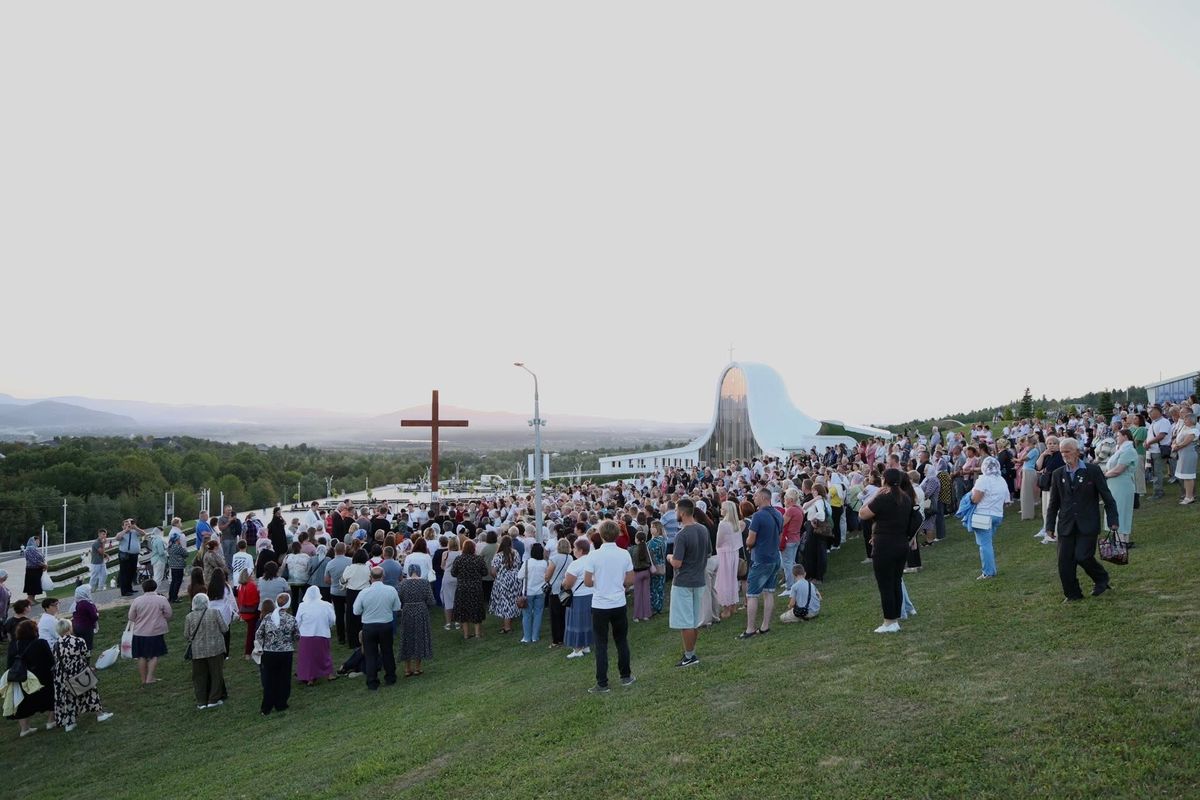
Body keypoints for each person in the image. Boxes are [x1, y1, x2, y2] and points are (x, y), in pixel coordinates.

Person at [1046, 438, 1120, 602]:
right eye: (1062, 452)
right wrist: (1049, 526)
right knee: (1064, 562)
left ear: (1077, 451)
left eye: (1068, 451)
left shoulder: (1092, 471)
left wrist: (1113, 519)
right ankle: (1072, 594)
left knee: (1082, 556)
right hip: (1066, 525)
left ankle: (1101, 578)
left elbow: (1107, 497)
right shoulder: (1058, 474)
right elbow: (1053, 503)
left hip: (1088, 523)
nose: (1065, 455)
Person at [858, 469, 913, 634]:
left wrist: (874, 495)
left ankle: (890, 621)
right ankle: (895, 617)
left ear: (885, 480)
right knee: (896, 581)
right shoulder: (906, 497)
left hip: (884, 545)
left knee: (885, 584)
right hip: (901, 543)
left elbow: (863, 513)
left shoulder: (883, 497)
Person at [583, 519, 635, 693]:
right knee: (621, 641)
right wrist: (619, 585)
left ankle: (602, 682)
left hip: (600, 604)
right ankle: (625, 675)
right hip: (618, 602)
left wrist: (601, 581)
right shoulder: (624, 554)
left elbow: (588, 582)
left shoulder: (594, 555)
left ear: (601, 535)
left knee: (601, 644)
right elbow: (629, 579)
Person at [49, 619, 112, 732]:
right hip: (78, 670)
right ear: (69, 628)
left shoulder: (56, 645)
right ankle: (100, 714)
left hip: (62, 674)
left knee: (67, 697)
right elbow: (86, 655)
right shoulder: (78, 641)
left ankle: (70, 722)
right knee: (90, 691)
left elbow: (56, 658)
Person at [668, 498, 711, 665]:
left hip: (684, 582)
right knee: (693, 621)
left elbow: (677, 563)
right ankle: (691, 653)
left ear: (683, 513)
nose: (675, 514)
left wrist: (670, 557)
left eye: (676, 511)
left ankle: (689, 655)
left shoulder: (682, 534)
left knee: (686, 622)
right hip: (698, 579)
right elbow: (707, 552)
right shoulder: (703, 529)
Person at [740, 488, 783, 640]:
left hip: (761, 558)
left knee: (752, 594)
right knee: (769, 592)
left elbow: (750, 540)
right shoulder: (778, 513)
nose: (754, 498)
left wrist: (748, 543)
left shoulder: (758, 516)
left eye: (756, 496)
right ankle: (765, 626)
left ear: (764, 498)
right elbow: (779, 535)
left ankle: (750, 628)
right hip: (775, 556)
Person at [353, 567, 402, 691]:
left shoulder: (364, 592)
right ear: (383, 577)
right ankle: (390, 677)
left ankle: (372, 681)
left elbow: (356, 611)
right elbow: (397, 607)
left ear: (370, 578)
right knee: (387, 652)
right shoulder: (390, 590)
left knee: (370, 655)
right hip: (385, 624)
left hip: (369, 626)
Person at [6, 620, 54, 736]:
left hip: (22, 677)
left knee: (22, 704)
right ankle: (51, 721)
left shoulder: (14, 645)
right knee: (52, 697)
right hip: (42, 677)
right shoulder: (41, 643)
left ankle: (24, 729)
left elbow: (9, 664)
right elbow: (50, 660)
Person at [254, 595, 298, 714]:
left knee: (269, 680)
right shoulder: (291, 619)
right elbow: (297, 636)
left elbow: (258, 634)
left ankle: (266, 706)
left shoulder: (268, 617)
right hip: (285, 652)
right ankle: (281, 703)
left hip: (269, 652)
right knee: (284, 679)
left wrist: (264, 644)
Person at [184, 593, 228, 709]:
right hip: (215, 649)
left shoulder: (189, 617)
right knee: (216, 674)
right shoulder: (214, 613)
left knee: (199, 676)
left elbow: (186, 635)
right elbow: (224, 628)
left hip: (197, 651)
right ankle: (213, 699)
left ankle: (201, 701)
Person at [969, 457, 1009, 580]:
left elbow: (975, 499)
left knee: (984, 545)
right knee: (988, 543)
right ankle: (990, 570)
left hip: (983, 514)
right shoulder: (1002, 480)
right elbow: (1006, 500)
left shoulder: (983, 480)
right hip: (997, 514)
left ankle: (988, 572)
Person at [127, 579, 172, 685]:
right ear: (155, 587)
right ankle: (150, 677)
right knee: (154, 655)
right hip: (155, 632)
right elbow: (169, 614)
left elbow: (131, 617)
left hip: (139, 632)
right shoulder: (161, 599)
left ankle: (143, 679)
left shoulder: (137, 600)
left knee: (141, 656)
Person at [398, 563, 436, 676]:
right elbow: (431, 600)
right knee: (419, 637)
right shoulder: (424, 583)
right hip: (421, 611)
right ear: (419, 571)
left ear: (409, 572)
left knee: (407, 637)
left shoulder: (403, 584)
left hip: (407, 611)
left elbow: (398, 599)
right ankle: (417, 668)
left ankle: (407, 668)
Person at [294, 585, 336, 686]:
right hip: (322, 633)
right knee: (324, 655)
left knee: (307, 657)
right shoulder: (327, 605)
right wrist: (327, 626)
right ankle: (328, 674)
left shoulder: (302, 606)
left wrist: (300, 631)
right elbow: (332, 620)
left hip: (306, 635)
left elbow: (297, 621)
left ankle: (310, 678)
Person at [1104, 428, 1139, 544]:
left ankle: (1122, 540)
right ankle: (1118, 538)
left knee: (1121, 510)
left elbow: (1119, 470)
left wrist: (1104, 476)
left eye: (1118, 436)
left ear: (1125, 436)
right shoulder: (1121, 450)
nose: (1116, 438)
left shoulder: (1128, 450)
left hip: (1122, 484)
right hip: (1115, 484)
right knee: (1114, 509)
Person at [561, 537, 594, 659]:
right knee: (587, 621)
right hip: (591, 595)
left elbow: (568, 584)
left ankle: (577, 648)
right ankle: (586, 644)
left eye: (575, 548)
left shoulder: (575, 564)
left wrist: (563, 583)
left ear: (580, 550)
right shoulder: (592, 561)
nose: (573, 550)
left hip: (578, 597)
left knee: (576, 622)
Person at [450, 539, 488, 640]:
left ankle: (466, 634)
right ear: (474, 548)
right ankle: (477, 634)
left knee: (463, 611)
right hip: (475, 587)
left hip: (462, 587)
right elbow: (485, 572)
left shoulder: (459, 559)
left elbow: (453, 573)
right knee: (476, 609)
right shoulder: (478, 559)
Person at [488, 536, 522, 635]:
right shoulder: (515, 553)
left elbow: (493, 571)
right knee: (511, 601)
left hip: (502, 580)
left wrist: (497, 577)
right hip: (515, 580)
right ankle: (507, 624)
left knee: (505, 603)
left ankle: (507, 627)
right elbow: (518, 566)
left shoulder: (498, 556)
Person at [340, 550, 372, 650]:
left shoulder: (350, 568)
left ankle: (353, 642)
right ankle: (364, 640)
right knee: (364, 616)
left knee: (351, 617)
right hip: (364, 593)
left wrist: (345, 585)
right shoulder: (368, 568)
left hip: (352, 593)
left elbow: (342, 580)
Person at [544, 539, 573, 648]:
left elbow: (548, 575)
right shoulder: (570, 558)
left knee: (555, 616)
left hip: (555, 589)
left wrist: (546, 579)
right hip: (565, 587)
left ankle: (557, 640)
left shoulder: (554, 558)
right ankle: (565, 636)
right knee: (564, 614)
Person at [715, 502, 741, 618]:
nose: (721, 510)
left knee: (724, 581)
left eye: (722, 508)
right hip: (734, 553)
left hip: (724, 554)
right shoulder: (736, 523)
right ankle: (733, 605)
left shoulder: (723, 524)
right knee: (732, 579)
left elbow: (718, 542)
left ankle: (726, 609)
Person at [519, 543, 549, 643]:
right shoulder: (545, 563)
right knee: (538, 614)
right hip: (540, 591)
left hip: (528, 592)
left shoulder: (527, 563)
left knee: (526, 614)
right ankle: (535, 636)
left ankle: (527, 637)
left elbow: (519, 576)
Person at [779, 490, 805, 595]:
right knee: (791, 563)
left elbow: (781, 523)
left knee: (787, 564)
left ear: (790, 500)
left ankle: (790, 587)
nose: (784, 500)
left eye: (785, 498)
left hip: (789, 539)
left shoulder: (790, 510)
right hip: (796, 538)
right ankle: (794, 583)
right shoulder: (799, 509)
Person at [1146, 405, 1173, 499]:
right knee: (1154, 472)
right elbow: (1150, 435)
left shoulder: (1164, 422)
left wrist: (1149, 442)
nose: (1149, 413)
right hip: (1152, 450)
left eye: (1151, 411)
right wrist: (1146, 442)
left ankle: (1158, 492)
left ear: (1157, 411)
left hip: (1158, 450)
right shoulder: (1153, 423)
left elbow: (1161, 435)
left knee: (1157, 472)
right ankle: (1157, 490)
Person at [1171, 409, 1197, 505]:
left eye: (1186, 419)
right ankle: (1187, 495)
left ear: (1191, 420)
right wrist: (1174, 444)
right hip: (1183, 454)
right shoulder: (1185, 428)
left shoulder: (1193, 430)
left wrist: (1176, 447)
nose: (1184, 421)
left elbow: (1186, 442)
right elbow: (1178, 438)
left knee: (1188, 476)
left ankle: (1190, 497)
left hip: (1188, 454)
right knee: (1185, 476)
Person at [115, 519, 144, 597]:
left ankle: (129, 588)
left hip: (134, 555)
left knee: (132, 572)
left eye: (129, 524)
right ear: (122, 526)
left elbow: (143, 533)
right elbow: (117, 538)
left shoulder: (135, 532)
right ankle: (124, 591)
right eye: (126, 524)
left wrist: (135, 527)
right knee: (124, 573)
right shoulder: (121, 533)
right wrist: (125, 530)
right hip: (125, 555)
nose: (128, 525)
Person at [236, 569, 261, 658]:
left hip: (244, 612)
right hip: (252, 612)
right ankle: (248, 653)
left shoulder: (241, 586)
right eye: (253, 574)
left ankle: (251, 651)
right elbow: (256, 600)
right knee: (252, 633)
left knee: (251, 632)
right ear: (249, 575)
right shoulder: (252, 586)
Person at [629, 533, 652, 623]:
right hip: (646, 572)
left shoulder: (632, 549)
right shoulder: (647, 548)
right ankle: (646, 615)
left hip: (637, 573)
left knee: (638, 594)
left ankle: (637, 616)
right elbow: (651, 560)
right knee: (646, 593)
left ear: (637, 539)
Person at [647, 521, 667, 616]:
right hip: (662, 565)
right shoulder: (663, 540)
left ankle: (655, 607)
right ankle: (659, 606)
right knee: (660, 586)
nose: (651, 529)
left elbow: (650, 552)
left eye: (653, 527)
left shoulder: (653, 542)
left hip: (655, 566)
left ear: (658, 529)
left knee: (654, 587)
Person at [283, 542, 311, 611]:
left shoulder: (288, 557)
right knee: (304, 597)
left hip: (292, 580)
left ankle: (295, 612)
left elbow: (283, 567)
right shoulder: (306, 557)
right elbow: (309, 567)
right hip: (303, 579)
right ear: (300, 548)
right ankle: (304, 610)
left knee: (294, 597)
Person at [440, 537, 460, 631]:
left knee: (448, 600)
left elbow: (442, 566)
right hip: (458, 578)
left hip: (447, 577)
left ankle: (448, 623)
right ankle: (457, 622)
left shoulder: (445, 553)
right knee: (457, 599)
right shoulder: (460, 553)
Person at [70, 585, 99, 651]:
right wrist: (97, 615)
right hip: (86, 627)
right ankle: (87, 658)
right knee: (88, 645)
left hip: (76, 626)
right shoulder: (87, 603)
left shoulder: (76, 603)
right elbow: (94, 616)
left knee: (80, 644)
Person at [22, 536, 47, 603]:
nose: (39, 542)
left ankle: (33, 599)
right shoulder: (30, 549)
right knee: (32, 585)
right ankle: (29, 600)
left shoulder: (34, 548)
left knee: (35, 585)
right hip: (32, 570)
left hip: (37, 570)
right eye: (38, 541)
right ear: (33, 541)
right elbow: (34, 560)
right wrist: (44, 565)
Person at [166, 529, 188, 603]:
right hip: (179, 566)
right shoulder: (178, 547)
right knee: (178, 582)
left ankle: (171, 596)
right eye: (179, 539)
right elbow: (186, 554)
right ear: (177, 539)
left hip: (173, 566)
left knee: (173, 581)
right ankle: (175, 597)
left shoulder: (170, 547)